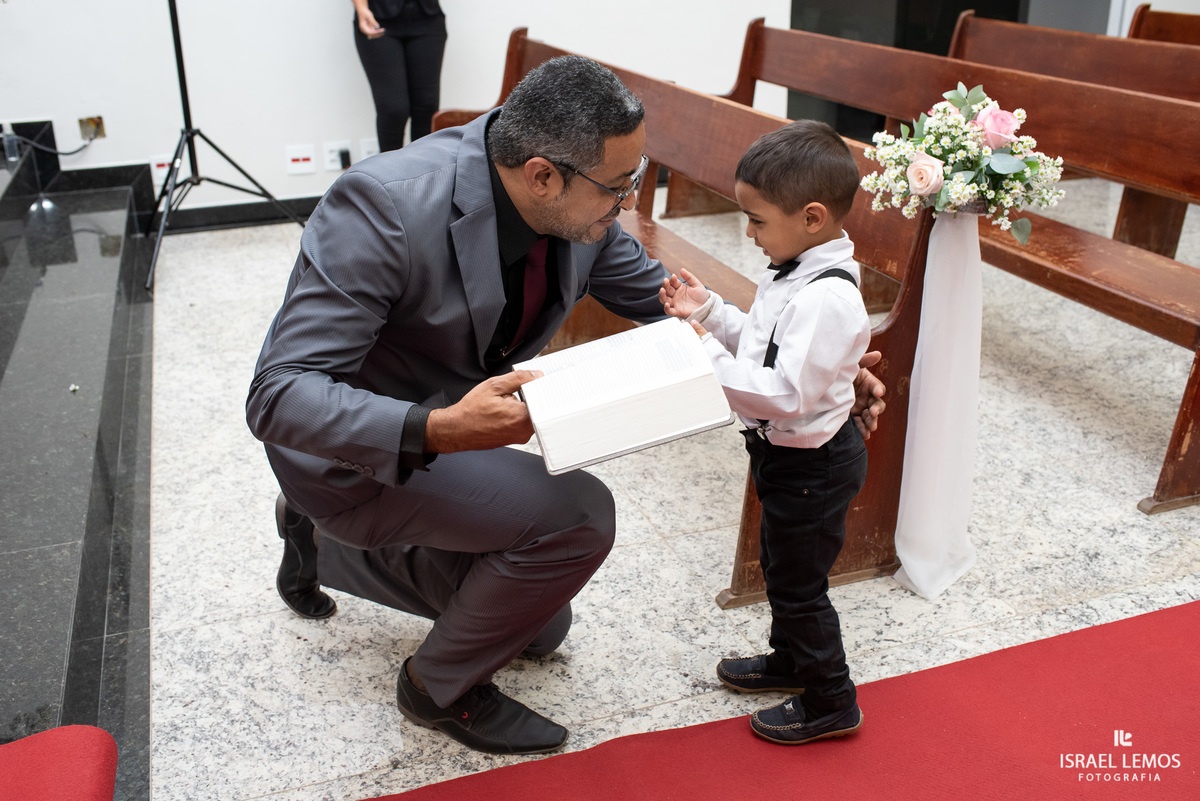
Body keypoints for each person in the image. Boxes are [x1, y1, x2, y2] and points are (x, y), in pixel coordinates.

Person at [247, 57, 886, 756]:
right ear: (543, 174)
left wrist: (816, 363)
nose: (627, 206)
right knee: (579, 518)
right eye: (619, 189)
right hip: (362, 450)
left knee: (542, 628)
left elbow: (663, 299)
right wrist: (439, 427)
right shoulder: (381, 207)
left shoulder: (572, 209)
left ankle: (320, 539)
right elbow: (277, 395)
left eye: (634, 181)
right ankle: (435, 687)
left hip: (450, 428)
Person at [659, 119, 870, 745]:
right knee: (782, 570)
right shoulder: (796, 270)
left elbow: (784, 393)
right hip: (787, 460)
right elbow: (763, 343)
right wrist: (710, 313)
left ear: (811, 218)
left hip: (815, 465)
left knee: (800, 587)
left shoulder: (828, 297)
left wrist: (702, 353)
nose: (748, 234)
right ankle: (791, 663)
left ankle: (832, 700)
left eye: (756, 221)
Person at [352, 0, 447, 151]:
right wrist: (361, 8)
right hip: (377, 17)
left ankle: (425, 172)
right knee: (393, 110)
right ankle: (388, 173)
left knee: (426, 106)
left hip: (427, 17)